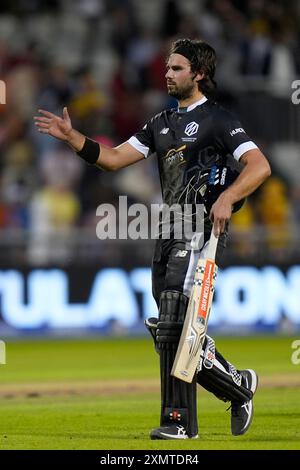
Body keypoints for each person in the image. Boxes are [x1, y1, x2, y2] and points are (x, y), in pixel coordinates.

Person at [34, 38, 271, 440]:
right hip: (168, 231)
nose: (167, 73)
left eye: (177, 68)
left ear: (198, 74)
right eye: (167, 67)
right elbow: (112, 160)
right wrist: (74, 139)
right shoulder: (159, 123)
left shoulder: (218, 119)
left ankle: (178, 425)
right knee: (168, 329)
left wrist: (229, 197)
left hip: (201, 231)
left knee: (173, 323)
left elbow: (259, 165)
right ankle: (236, 385)